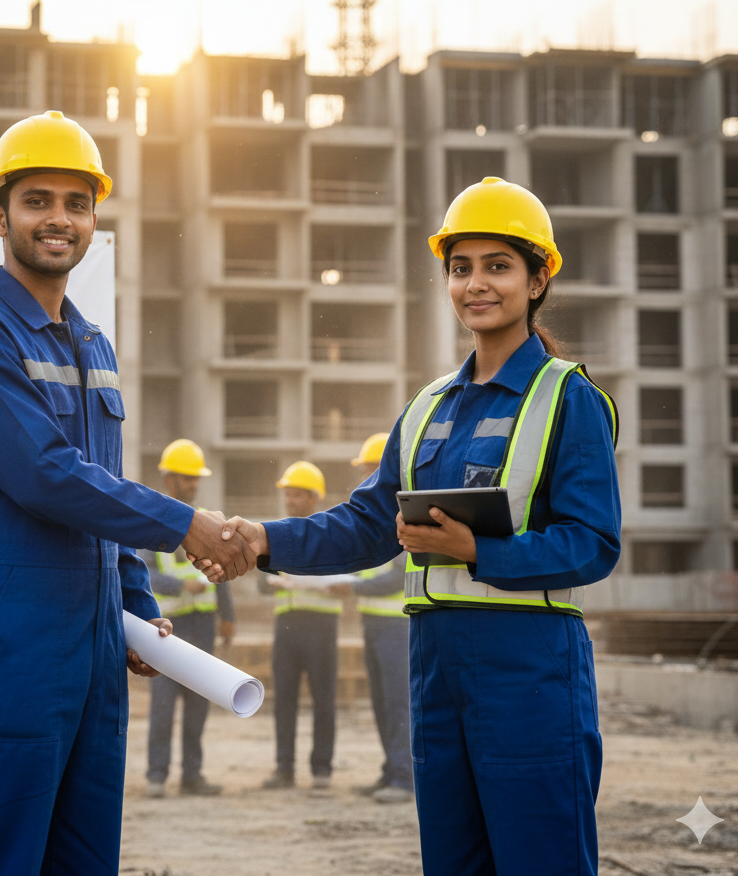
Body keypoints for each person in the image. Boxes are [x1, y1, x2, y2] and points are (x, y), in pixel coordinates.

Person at [198, 177, 621, 876]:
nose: (475, 285)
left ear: (539, 277)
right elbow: (367, 523)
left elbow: (593, 543)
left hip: (529, 666)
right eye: (461, 268)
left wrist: (475, 551)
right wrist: (265, 539)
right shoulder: (428, 407)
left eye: (497, 266)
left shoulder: (568, 398)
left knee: (539, 859)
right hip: (436, 664)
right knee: (452, 863)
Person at [0, 111, 255, 876]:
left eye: (77, 203)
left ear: (94, 218)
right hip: (9, 630)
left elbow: (99, 479)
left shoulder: (92, 343)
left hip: (94, 643)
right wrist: (184, 525)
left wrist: (133, 601)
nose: (58, 219)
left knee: (84, 859)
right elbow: (45, 474)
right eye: (37, 200)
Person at [140, 439, 235, 798]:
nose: (192, 484)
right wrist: (182, 584)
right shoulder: (152, 523)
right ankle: (156, 774)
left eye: (195, 478)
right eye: (185, 478)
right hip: (167, 629)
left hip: (203, 625)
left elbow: (223, 571)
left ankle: (192, 775)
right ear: (168, 479)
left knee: (198, 703)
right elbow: (144, 573)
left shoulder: (209, 521)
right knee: (163, 704)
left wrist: (228, 617)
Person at [328, 433, 413, 805]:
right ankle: (390, 771)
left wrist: (354, 590)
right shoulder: (378, 521)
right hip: (375, 626)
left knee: (397, 704)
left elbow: (396, 577)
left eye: (369, 471)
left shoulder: (404, 518)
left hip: (397, 626)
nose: (366, 480)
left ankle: (405, 778)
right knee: (382, 702)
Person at [258, 461, 340, 792]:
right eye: (288, 495)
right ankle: (284, 768)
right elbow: (263, 583)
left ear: (313, 498)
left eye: (297, 495)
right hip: (287, 626)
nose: (290, 501)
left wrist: (301, 580)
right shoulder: (278, 533)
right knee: (284, 700)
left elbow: (344, 577)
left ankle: (321, 768)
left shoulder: (331, 533)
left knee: (324, 699)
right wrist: (277, 583)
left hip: (321, 625)